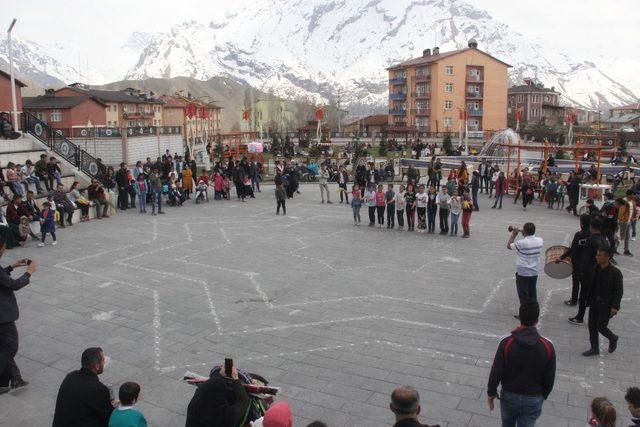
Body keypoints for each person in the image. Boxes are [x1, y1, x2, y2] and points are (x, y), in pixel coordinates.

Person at [487, 300, 556, 427]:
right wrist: (542, 396)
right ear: (537, 320)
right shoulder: (547, 346)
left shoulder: (506, 342)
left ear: (520, 317)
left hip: (510, 395)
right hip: (533, 397)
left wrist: (491, 392)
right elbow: (549, 377)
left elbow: (496, 370)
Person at [0, 237, 34, 394]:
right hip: (3, 316)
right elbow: (13, 285)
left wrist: (11, 267)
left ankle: (13, 379)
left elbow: (2, 277)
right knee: (11, 347)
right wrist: (29, 273)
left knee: (4, 347)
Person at [53, 347, 114, 427]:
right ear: (97, 366)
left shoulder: (71, 377)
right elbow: (109, 417)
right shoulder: (99, 390)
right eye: (103, 360)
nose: (104, 361)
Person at [582, 246, 623, 357]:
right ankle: (594, 348)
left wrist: (615, 307)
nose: (597, 257)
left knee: (601, 326)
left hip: (606, 304)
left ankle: (613, 338)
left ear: (607, 257)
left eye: (600, 255)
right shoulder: (596, 268)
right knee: (591, 325)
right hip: (595, 301)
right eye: (597, 254)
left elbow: (618, 291)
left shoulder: (616, 273)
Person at [568, 217, 609, 325]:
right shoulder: (604, 239)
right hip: (601, 270)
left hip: (590, 271)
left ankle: (580, 317)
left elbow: (586, 257)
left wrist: (581, 271)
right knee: (596, 296)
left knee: (584, 295)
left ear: (592, 227)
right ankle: (596, 319)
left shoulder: (592, 239)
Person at [185, 363, 250, 427]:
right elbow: (244, 400)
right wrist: (236, 378)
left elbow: (209, 386)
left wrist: (219, 375)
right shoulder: (225, 417)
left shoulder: (193, 405)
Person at [507, 223, 543, 315]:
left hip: (523, 273)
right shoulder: (540, 240)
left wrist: (514, 234)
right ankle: (534, 312)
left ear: (525, 231)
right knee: (532, 292)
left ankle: (524, 315)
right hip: (534, 271)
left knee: (523, 295)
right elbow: (529, 236)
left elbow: (509, 246)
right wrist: (524, 231)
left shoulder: (522, 243)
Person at [558, 214, 592, 306]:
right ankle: (586, 299)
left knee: (576, 281)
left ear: (582, 223)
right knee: (586, 281)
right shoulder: (592, 234)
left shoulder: (579, 234)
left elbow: (573, 248)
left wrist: (561, 257)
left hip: (578, 260)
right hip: (588, 261)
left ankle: (574, 300)